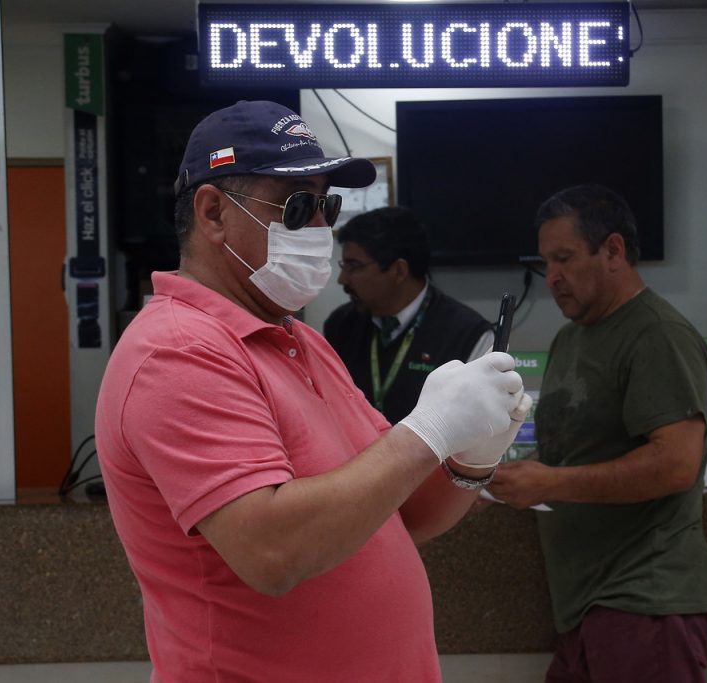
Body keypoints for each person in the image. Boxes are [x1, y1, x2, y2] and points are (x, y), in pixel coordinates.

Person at [94, 100, 531, 683]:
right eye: (298, 207)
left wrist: (472, 454)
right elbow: (271, 552)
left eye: (327, 206)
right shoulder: (178, 351)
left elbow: (407, 512)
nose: (322, 230)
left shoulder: (298, 340)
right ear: (213, 212)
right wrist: (426, 431)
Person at [488, 184, 707, 683]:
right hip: (584, 604)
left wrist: (549, 484)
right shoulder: (571, 337)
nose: (552, 277)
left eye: (565, 259)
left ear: (613, 250)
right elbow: (568, 451)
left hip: (645, 599)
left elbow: (676, 463)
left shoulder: (657, 335)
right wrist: (493, 478)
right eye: (545, 263)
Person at [324, 206, 494, 424]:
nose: (343, 280)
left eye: (354, 267)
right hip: (354, 457)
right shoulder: (340, 326)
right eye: (343, 265)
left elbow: (476, 428)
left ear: (399, 271)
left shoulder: (468, 335)